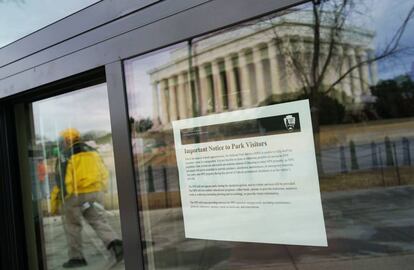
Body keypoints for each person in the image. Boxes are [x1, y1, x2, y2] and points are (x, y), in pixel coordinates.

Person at [50, 128, 123, 268]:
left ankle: (77, 258)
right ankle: (115, 244)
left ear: (66, 140)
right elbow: (104, 172)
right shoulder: (93, 151)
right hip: (95, 192)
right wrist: (103, 189)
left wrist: (62, 201)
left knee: (72, 226)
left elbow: (64, 181)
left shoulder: (66, 155)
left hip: (75, 195)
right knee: (97, 220)